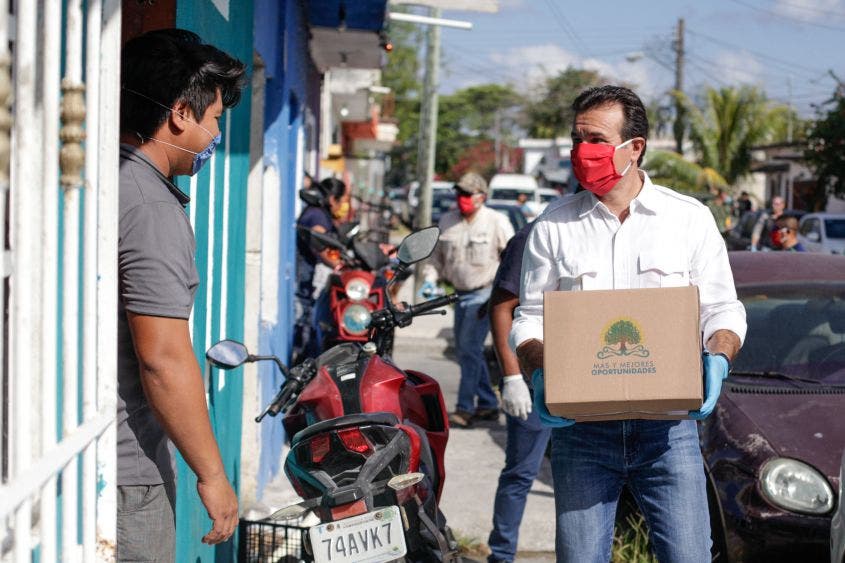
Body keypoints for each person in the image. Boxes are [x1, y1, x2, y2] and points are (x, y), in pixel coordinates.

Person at [510, 85, 746, 562]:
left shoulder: (688, 220)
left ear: (633, 147)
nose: (581, 152)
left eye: (594, 139)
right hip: (581, 432)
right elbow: (529, 316)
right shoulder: (553, 225)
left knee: (689, 556)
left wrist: (718, 356)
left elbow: (723, 308)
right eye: (576, 140)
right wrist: (538, 369)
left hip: (668, 434)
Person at [118, 29, 246, 560]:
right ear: (179, 114)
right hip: (125, 476)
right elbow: (164, 360)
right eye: (214, 118)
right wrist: (212, 476)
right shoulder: (151, 207)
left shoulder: (100, 182)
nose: (216, 132)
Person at [422, 172, 515, 428]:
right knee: (466, 351)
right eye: (459, 194)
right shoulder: (448, 220)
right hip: (459, 295)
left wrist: (504, 296)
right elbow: (436, 259)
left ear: (481, 197)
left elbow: (512, 259)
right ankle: (487, 403)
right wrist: (429, 280)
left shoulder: (497, 221)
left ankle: (465, 408)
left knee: (470, 349)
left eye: (466, 194)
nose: (461, 199)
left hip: (485, 294)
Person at [486, 220, 551, 563]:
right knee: (522, 472)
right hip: (533, 377)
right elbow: (501, 307)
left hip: (587, 379)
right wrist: (511, 378)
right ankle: (501, 554)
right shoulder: (533, 235)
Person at [293, 177, 350, 362]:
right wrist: (341, 266)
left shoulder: (318, 212)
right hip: (304, 282)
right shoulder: (317, 216)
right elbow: (322, 246)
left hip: (306, 280)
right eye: (341, 201)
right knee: (305, 330)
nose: (342, 206)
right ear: (333, 199)